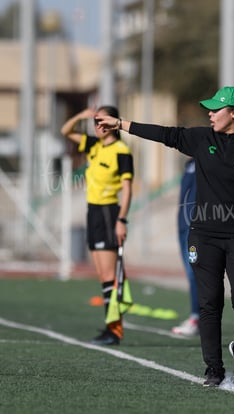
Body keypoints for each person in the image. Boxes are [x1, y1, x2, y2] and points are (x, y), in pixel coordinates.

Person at [96, 86, 234, 386]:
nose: (210, 113)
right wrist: (120, 124)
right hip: (204, 235)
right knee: (209, 302)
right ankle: (213, 368)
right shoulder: (202, 139)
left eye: (216, 109)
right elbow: (165, 134)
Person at [61, 106, 134, 345]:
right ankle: (110, 327)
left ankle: (115, 330)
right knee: (103, 276)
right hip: (92, 212)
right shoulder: (93, 144)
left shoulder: (121, 150)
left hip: (108, 213)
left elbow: (127, 188)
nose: (98, 126)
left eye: (102, 121)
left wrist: (121, 220)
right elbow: (66, 130)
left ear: (112, 123)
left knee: (110, 275)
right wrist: (80, 116)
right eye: (95, 121)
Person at [171, 158, 200, 336]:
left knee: (194, 273)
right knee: (191, 275)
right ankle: (197, 316)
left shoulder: (210, 158)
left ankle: (197, 318)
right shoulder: (190, 163)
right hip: (183, 224)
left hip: (195, 225)